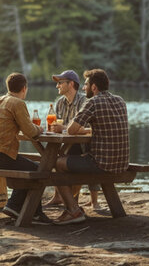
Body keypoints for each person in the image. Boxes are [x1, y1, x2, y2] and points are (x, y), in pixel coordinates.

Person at [53, 69, 130, 225]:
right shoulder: (120, 100)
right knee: (74, 158)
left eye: (86, 85)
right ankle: (75, 206)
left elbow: (71, 130)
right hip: (122, 163)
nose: (83, 88)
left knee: (56, 164)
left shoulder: (93, 102)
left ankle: (73, 210)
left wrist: (68, 128)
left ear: (94, 87)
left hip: (103, 164)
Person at [0, 73, 53, 225]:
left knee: (30, 167)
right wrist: (40, 129)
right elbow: (30, 131)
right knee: (39, 170)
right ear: (24, 88)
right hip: (2, 157)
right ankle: (29, 211)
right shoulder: (17, 103)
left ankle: (16, 206)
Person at [43, 70, 100, 209]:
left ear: (71, 84)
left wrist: (62, 127)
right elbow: (55, 125)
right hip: (67, 142)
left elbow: (86, 128)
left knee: (83, 150)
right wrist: (57, 128)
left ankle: (93, 201)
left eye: (60, 83)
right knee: (51, 155)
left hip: (84, 143)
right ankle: (58, 197)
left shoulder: (84, 101)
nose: (57, 86)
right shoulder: (60, 103)